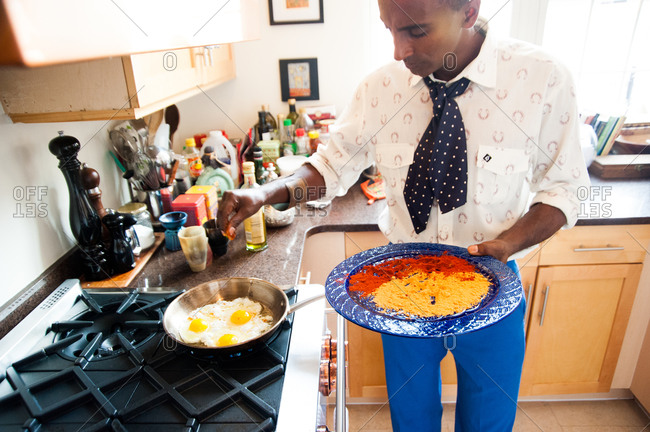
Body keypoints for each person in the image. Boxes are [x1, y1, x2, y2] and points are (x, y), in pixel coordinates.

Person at [218, 0, 589, 430]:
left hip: (492, 295)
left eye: (415, 32)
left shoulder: (542, 80)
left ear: (469, 10)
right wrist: (268, 191)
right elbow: (331, 165)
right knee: (411, 422)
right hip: (400, 294)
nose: (398, 51)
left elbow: (566, 188)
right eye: (388, 30)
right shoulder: (379, 90)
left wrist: (508, 244)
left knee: (489, 423)